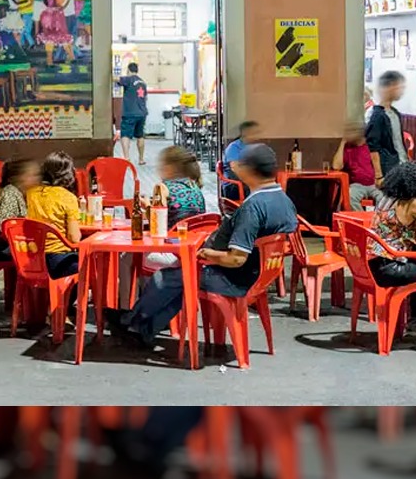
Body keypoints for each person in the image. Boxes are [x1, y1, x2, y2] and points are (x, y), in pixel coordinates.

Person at [109, 143, 297, 350]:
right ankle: (140, 329)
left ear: (251, 170)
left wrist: (208, 254)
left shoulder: (253, 206)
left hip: (234, 277)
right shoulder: (284, 200)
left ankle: (130, 322)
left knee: (167, 277)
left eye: (240, 164)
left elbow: (236, 259)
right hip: (262, 276)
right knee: (180, 282)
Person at [366, 160, 416, 347]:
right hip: (391, 268)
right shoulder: (413, 203)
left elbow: (400, 224)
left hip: (375, 263)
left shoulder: (386, 198)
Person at [138, 146, 206, 273]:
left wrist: (147, 205)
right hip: (195, 251)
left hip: (173, 253)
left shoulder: (162, 188)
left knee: (127, 257)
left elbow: (157, 226)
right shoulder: (195, 186)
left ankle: (133, 293)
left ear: (169, 168)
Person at [25, 152, 82, 280]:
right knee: (91, 266)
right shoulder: (68, 198)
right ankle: (68, 299)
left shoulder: (30, 194)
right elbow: (74, 238)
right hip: (59, 261)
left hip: (31, 259)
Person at [0, 159, 37, 262]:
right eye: (30, 175)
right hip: (2, 247)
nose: (35, 179)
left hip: (13, 242)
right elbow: (3, 226)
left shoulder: (23, 193)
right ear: (17, 178)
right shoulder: (10, 194)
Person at [366, 71, 408, 182]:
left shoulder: (395, 113)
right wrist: (379, 175)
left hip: (401, 164)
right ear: (390, 87)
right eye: (399, 87)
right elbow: (373, 146)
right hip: (388, 169)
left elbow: (398, 142)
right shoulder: (378, 116)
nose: (401, 91)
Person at [332, 120, 378, 207]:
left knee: (385, 198)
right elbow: (336, 166)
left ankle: (378, 219)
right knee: (349, 197)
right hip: (357, 186)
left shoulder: (370, 146)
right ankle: (361, 219)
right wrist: (343, 142)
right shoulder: (347, 149)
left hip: (374, 184)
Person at [37, 0, 75, 67]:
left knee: (50, 37)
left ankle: (50, 61)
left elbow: (46, 0)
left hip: (47, 14)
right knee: (61, 35)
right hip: (56, 15)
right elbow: (59, 2)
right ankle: (71, 56)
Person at [118, 62, 149, 166]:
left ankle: (126, 158)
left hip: (130, 113)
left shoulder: (129, 79)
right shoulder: (143, 82)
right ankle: (141, 159)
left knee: (125, 134)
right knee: (140, 135)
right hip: (142, 113)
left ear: (128, 70)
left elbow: (116, 79)